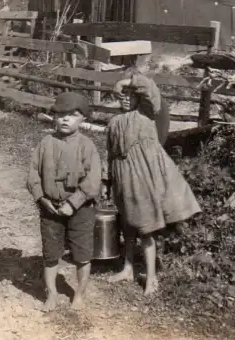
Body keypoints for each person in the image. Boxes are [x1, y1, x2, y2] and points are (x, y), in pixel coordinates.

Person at [104, 73, 201, 295]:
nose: (126, 98)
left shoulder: (147, 114)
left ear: (139, 99)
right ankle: (127, 268)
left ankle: (151, 277)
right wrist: (107, 180)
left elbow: (150, 88)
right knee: (127, 225)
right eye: (123, 96)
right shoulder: (113, 123)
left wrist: (125, 81)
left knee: (145, 227)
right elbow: (110, 154)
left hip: (143, 177)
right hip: (122, 178)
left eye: (131, 95)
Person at [27, 92, 102, 311]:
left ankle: (79, 294)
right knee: (51, 253)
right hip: (50, 207)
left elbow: (93, 180)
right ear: (54, 118)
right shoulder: (45, 143)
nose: (65, 119)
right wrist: (41, 197)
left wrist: (74, 202)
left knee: (82, 253)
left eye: (72, 115)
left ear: (83, 120)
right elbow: (32, 173)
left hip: (81, 209)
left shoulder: (87, 146)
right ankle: (51, 293)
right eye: (60, 115)